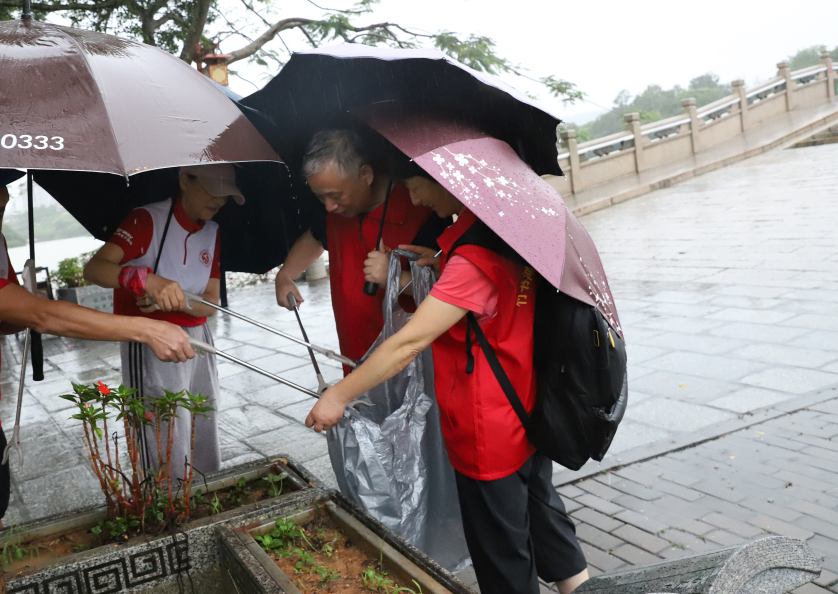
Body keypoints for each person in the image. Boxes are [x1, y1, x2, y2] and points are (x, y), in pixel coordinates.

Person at [304, 164, 590, 594]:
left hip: (485, 430)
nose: (415, 199)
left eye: (417, 186)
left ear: (448, 182)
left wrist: (339, 395)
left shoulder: (474, 258)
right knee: (544, 519)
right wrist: (438, 265)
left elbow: (409, 342)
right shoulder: (506, 234)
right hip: (524, 408)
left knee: (503, 559)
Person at [0, 167, 194, 530]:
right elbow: (42, 317)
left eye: (4, 187)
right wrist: (147, 329)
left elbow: (7, 321)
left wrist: (25, 303)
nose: (0, 199)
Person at [84, 164, 241, 479]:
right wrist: (140, 278)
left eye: (226, 193)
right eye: (212, 189)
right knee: (164, 427)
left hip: (198, 339)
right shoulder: (147, 219)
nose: (219, 199)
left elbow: (210, 301)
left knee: (202, 416)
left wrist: (178, 298)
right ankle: (166, 499)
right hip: (150, 338)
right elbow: (95, 269)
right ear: (184, 180)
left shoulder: (212, 230)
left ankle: (206, 489)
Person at [274, 129, 447, 374]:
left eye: (335, 195)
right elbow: (315, 236)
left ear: (365, 174)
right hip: (353, 358)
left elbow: (447, 291)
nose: (329, 206)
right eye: (319, 196)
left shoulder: (421, 207)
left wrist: (396, 278)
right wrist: (286, 274)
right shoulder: (331, 211)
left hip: (409, 368)